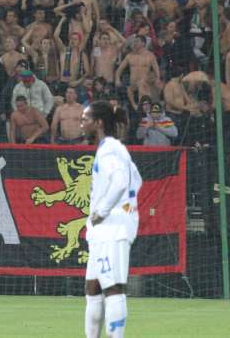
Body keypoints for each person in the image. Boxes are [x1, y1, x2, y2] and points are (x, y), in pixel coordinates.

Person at [82, 100, 142, 338]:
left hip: (112, 227)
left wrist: (104, 210)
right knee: (92, 288)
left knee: (112, 287)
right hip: (107, 228)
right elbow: (136, 180)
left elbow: (120, 182)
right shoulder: (114, 148)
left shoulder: (108, 149)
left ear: (98, 123)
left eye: (85, 119)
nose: (81, 124)